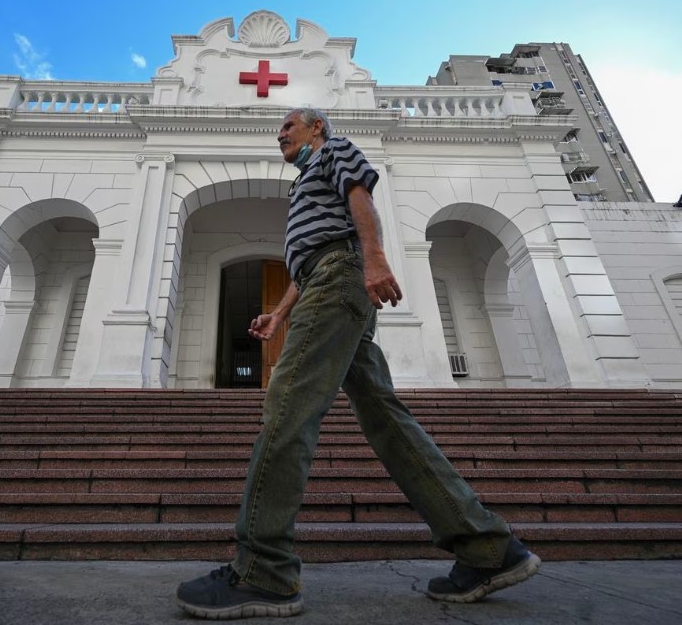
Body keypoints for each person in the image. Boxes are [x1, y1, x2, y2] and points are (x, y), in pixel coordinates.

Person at [176, 108, 540, 619]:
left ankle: (263, 571)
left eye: (288, 126)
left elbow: (359, 202)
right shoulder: (305, 181)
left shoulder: (336, 151)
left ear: (316, 128)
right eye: (278, 129)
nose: (279, 133)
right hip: (328, 279)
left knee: (287, 410)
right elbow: (306, 261)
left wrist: (374, 259)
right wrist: (279, 314)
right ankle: (487, 548)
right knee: (386, 418)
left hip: (341, 276)